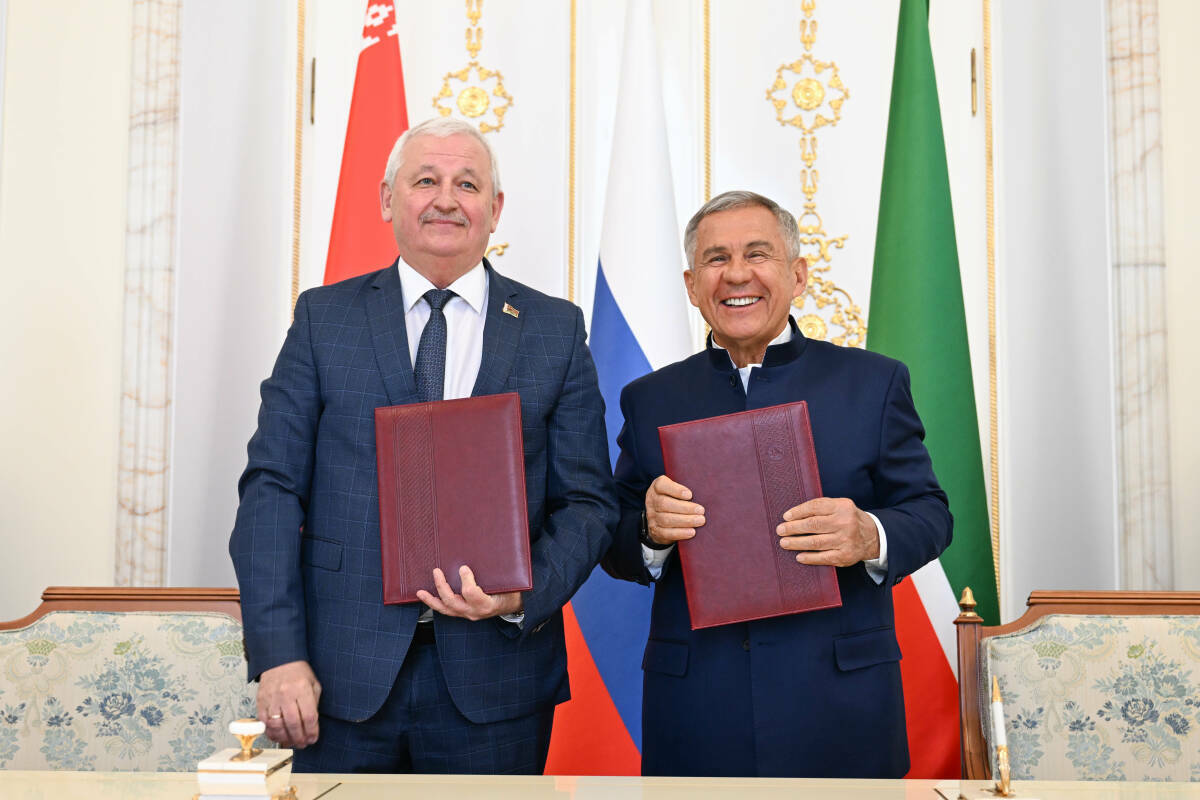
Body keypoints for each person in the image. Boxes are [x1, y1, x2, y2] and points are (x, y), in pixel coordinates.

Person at [229, 117, 616, 774]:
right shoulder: (324, 319)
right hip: (337, 677)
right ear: (388, 200)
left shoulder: (554, 329)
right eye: (426, 180)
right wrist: (278, 654)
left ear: (495, 209)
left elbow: (588, 503)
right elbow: (271, 488)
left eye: (467, 184)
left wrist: (520, 596)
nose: (446, 200)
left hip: (498, 682)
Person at [602, 190, 952, 778]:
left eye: (757, 254)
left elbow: (930, 512)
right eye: (716, 259)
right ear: (692, 286)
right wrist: (647, 529)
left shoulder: (873, 382)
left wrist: (868, 534)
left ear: (798, 275)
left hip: (841, 704)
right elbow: (610, 535)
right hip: (698, 708)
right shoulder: (649, 398)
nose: (737, 274)